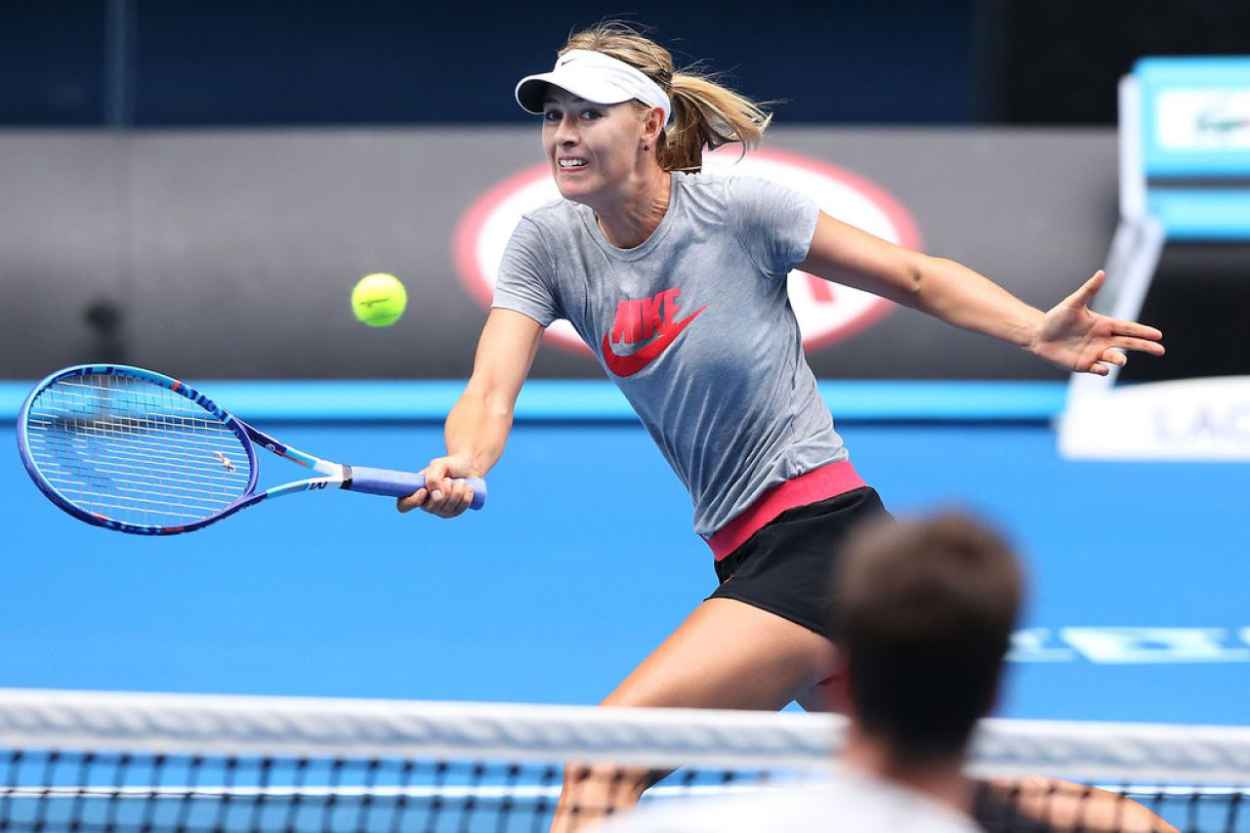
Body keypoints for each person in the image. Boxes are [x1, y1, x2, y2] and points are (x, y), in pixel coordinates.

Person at [396, 20, 1165, 830]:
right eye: (553, 116)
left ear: (651, 123)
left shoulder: (739, 210)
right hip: (757, 553)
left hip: (818, 540)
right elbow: (490, 387)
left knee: (601, 764)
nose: (563, 135)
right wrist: (465, 460)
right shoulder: (546, 243)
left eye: (588, 114)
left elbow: (911, 274)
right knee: (970, 797)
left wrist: (1031, 329)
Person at [592, 513, 1177, 833]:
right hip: (802, 539)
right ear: (995, 695)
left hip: (802, 539)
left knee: (601, 763)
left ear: (841, 680)